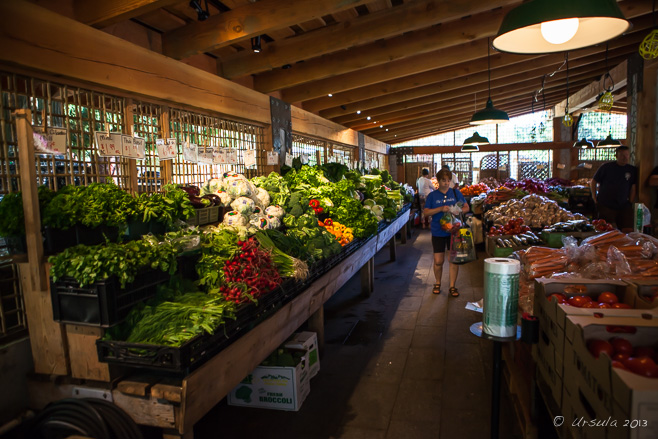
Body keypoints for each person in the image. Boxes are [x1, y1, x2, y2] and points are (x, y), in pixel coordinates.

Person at [423, 169, 470, 297]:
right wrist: (440, 209)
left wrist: (457, 210)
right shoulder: (432, 196)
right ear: (438, 181)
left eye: (448, 180)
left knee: (453, 260)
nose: (446, 183)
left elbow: (467, 207)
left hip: (454, 232)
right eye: (444, 180)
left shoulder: (455, 193)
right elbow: (426, 212)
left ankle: (452, 286)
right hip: (438, 232)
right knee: (438, 260)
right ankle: (437, 282)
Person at [590, 145, 638, 231]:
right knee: (607, 230)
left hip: (623, 205)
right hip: (606, 205)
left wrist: (630, 201)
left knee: (628, 229)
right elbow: (594, 181)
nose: (625, 157)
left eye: (627, 155)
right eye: (622, 155)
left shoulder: (632, 170)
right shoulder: (606, 167)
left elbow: (633, 187)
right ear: (616, 156)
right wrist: (594, 197)